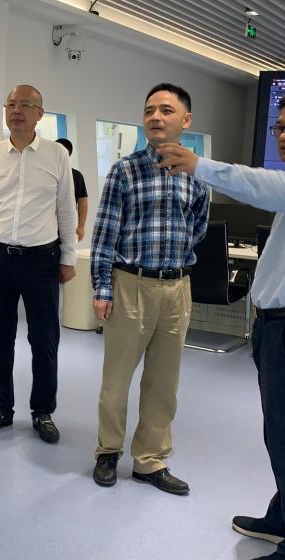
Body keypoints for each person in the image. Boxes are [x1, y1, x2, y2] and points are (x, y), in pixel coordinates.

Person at [158, 88, 285, 560]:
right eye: (279, 127)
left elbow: (268, 187)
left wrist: (201, 165)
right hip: (284, 327)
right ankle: (284, 519)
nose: (284, 136)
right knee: (283, 433)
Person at [89, 84, 209, 495]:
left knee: (163, 382)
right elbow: (105, 234)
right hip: (130, 284)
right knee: (117, 378)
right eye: (149, 110)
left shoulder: (198, 174)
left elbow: (197, 228)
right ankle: (108, 450)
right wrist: (102, 287)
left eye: (166, 110)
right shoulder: (124, 171)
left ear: (186, 120)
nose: (156, 117)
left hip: (176, 287)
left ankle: (150, 460)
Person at [0, 84, 77, 443]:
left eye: (25, 105)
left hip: (42, 260)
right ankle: (2, 407)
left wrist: (68, 257)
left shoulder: (56, 155)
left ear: (40, 113)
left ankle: (43, 411)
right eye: (10, 104)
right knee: (0, 339)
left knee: (45, 339)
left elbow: (66, 210)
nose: (16, 111)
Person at [55, 138, 89, 241]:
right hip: (45, 227)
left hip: (67, 225)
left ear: (67, 154)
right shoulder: (46, 174)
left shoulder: (76, 175)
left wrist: (81, 226)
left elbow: (82, 201)